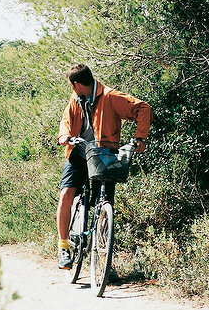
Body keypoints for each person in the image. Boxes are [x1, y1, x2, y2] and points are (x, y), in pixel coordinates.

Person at [55, 63, 151, 269]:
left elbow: (143, 108)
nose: (72, 89)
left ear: (76, 84)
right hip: (79, 154)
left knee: (105, 205)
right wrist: (65, 136)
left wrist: (140, 138)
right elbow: (66, 120)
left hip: (104, 156)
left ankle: (104, 264)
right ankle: (63, 247)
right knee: (66, 194)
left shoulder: (109, 97)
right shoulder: (75, 99)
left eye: (71, 85)